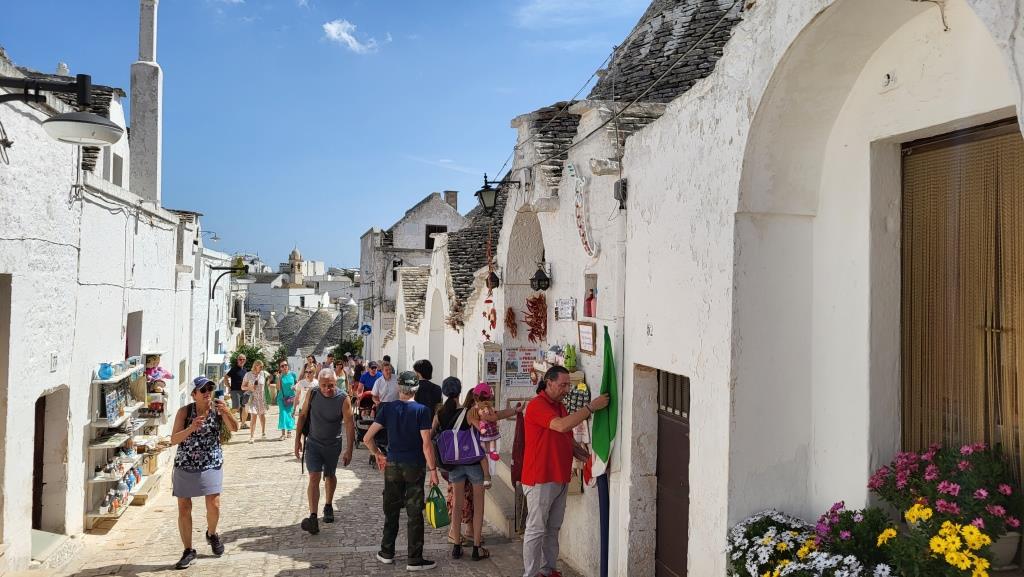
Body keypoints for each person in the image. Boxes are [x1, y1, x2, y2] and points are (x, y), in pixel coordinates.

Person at [521, 366, 609, 577]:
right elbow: (561, 426)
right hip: (540, 477)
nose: (567, 389)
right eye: (562, 385)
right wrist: (591, 407)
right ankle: (530, 574)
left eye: (568, 385)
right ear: (549, 383)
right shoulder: (537, 405)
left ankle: (548, 570)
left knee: (553, 528)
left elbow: (566, 439)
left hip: (559, 476)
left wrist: (587, 457)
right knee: (536, 529)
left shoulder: (559, 406)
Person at [363, 371, 440, 571]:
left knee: (391, 510)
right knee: (415, 513)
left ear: (399, 387)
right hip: (414, 466)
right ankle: (414, 559)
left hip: (393, 465)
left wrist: (377, 453)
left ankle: (386, 552)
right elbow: (426, 444)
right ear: (416, 389)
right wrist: (433, 470)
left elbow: (367, 438)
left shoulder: (387, 409)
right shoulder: (422, 411)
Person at [170, 377, 239, 569]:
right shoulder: (184, 412)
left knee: (214, 504)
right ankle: (188, 550)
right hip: (185, 463)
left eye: (210, 388)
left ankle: (212, 533)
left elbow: (235, 428)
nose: (207, 392)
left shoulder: (218, 409)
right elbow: (173, 440)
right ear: (194, 394)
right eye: (203, 389)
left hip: (211, 461)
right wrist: (191, 428)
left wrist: (227, 412)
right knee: (184, 507)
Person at [433, 377, 489, 561]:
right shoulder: (468, 412)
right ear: (460, 391)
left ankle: (456, 546)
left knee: (457, 505)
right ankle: (476, 548)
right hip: (473, 462)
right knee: (479, 506)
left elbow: (432, 435)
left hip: (454, 464)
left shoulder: (440, 413)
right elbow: (486, 426)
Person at [294, 368, 356, 534]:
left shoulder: (343, 398)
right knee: (314, 476)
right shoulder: (313, 393)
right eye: (324, 385)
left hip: (332, 445)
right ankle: (313, 517)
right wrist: (297, 440)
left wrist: (349, 450)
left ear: (336, 383)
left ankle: (328, 505)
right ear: (319, 383)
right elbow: (303, 415)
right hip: (313, 443)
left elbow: (349, 425)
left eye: (331, 385)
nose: (327, 389)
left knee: (329, 475)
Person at [241, 360, 269, 443]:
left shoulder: (263, 374)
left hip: (261, 399)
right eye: (260, 366)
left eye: (262, 367)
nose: (261, 368)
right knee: (254, 416)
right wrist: (249, 388)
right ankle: (252, 436)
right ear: (255, 366)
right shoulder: (248, 374)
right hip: (252, 398)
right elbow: (242, 387)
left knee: (262, 416)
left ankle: (263, 433)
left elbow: (270, 378)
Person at [222, 354, 249, 429]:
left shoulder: (245, 370)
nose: (242, 361)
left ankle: (243, 424)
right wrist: (229, 387)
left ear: (245, 360)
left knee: (245, 407)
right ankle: (226, 420)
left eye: (243, 359)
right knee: (236, 407)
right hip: (235, 390)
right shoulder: (234, 369)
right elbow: (225, 377)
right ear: (237, 360)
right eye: (240, 359)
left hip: (245, 391)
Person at [276, 360, 298, 440]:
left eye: (285, 365)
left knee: (290, 414)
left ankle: (289, 431)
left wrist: (295, 387)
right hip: (282, 398)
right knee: (283, 414)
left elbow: (297, 384)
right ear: (280, 368)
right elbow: (278, 388)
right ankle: (283, 434)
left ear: (288, 365)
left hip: (291, 398)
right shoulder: (280, 376)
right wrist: (279, 378)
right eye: (282, 366)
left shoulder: (293, 374)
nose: (284, 367)